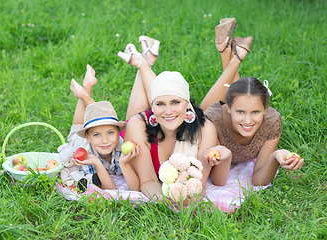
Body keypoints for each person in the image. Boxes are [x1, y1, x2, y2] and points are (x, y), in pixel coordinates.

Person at [116, 32, 247, 204]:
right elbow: (147, 182)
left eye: (176, 102)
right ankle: (142, 64)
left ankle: (143, 63)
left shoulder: (205, 130)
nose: (168, 110)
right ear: (152, 106)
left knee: (165, 93)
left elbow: (198, 186)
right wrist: (168, 204)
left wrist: (184, 203)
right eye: (160, 104)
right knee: (137, 116)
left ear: (187, 106)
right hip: (141, 128)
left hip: (173, 121)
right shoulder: (138, 125)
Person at [198, 18, 304, 186]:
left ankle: (230, 55)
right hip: (208, 119)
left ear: (265, 109)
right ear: (229, 108)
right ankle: (234, 57)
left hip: (236, 104)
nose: (248, 121)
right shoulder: (213, 120)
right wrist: (224, 154)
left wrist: (277, 156)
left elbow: (258, 180)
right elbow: (218, 181)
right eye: (240, 112)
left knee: (241, 95)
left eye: (255, 112)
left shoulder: (272, 121)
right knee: (199, 117)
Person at [66, 65, 140, 191]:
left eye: (110, 133)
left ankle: (84, 92)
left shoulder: (122, 148)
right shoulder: (86, 152)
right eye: (96, 135)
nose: (105, 140)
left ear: (118, 134)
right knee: (76, 129)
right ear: (88, 138)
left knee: (96, 118)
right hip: (78, 141)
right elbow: (110, 191)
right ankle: (84, 91)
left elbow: (136, 189)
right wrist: (96, 162)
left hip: (93, 136)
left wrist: (124, 163)